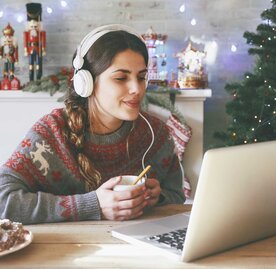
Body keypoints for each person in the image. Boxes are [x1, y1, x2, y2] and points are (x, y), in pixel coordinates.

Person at [0, 24, 185, 224]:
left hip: (139, 248)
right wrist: (92, 205)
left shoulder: (156, 134)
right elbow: (3, 201)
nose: (137, 89)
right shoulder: (51, 132)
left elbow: (177, 196)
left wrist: (158, 197)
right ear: (86, 82)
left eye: (141, 77)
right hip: (67, 251)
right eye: (121, 78)